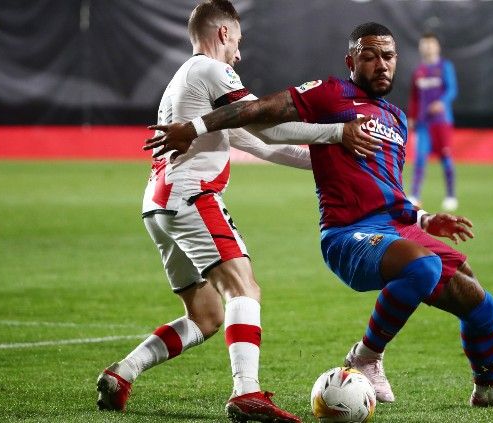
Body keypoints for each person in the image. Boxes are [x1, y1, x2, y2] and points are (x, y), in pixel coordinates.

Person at [145, 22, 493, 413]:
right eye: (369, 56)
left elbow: (386, 188)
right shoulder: (331, 94)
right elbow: (258, 110)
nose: (381, 64)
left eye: (388, 56)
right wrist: (195, 127)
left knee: (478, 300)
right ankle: (365, 359)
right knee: (422, 268)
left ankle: (489, 391)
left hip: (398, 229)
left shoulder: (395, 118)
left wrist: (423, 219)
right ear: (351, 61)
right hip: (348, 235)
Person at [95, 2, 374, 422]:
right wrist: (337, 131)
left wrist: (328, 157)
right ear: (223, 34)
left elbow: (259, 144)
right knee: (244, 289)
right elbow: (268, 124)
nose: (239, 54)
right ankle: (247, 392)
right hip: (192, 196)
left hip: (159, 205)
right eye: (238, 42)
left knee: (206, 316)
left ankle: (122, 373)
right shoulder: (211, 69)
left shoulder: (184, 80)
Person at [407, 32, 459, 211]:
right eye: (425, 44)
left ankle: (451, 195)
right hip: (423, 123)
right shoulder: (418, 71)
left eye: (431, 43)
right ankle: (414, 195)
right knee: (420, 158)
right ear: (421, 47)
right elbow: (414, 97)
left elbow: (452, 89)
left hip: (441, 121)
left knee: (445, 156)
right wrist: (412, 117)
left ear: (437, 46)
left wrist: (441, 102)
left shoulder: (445, 67)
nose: (428, 47)